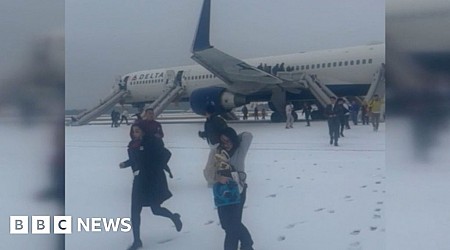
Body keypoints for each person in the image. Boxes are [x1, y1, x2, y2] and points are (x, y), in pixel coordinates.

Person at [119, 124, 182, 250]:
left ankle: (174, 217)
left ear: (143, 132)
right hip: (138, 181)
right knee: (135, 211)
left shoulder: (151, 142)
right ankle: (137, 241)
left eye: (137, 131)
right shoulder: (132, 145)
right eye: (133, 132)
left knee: (155, 209)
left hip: (152, 181)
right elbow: (135, 160)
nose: (135, 134)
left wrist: (156, 168)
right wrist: (125, 164)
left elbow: (166, 154)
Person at [213, 127, 254, 250]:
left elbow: (248, 135)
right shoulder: (217, 152)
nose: (226, 144)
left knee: (233, 225)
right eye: (223, 141)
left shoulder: (240, 150)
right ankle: (247, 242)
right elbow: (209, 171)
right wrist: (218, 177)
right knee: (227, 224)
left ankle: (246, 245)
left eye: (228, 141)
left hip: (238, 192)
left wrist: (232, 136)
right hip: (223, 193)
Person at [198, 104, 228, 185]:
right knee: (215, 165)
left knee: (213, 165)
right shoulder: (210, 121)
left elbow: (223, 132)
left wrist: (222, 144)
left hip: (218, 147)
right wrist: (202, 134)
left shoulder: (216, 121)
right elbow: (210, 133)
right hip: (214, 146)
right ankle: (215, 180)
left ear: (208, 112)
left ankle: (213, 181)